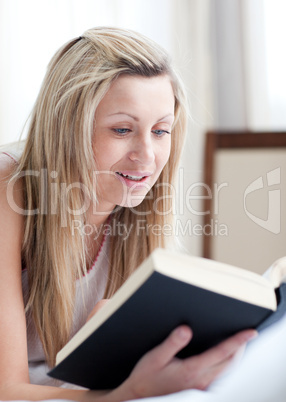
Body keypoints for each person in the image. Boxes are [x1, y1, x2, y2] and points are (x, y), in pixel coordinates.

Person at [0, 26, 256, 401]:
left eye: (160, 130)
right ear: (66, 128)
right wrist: (124, 393)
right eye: (122, 129)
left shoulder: (132, 208)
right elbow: (6, 391)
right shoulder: (10, 191)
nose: (148, 156)